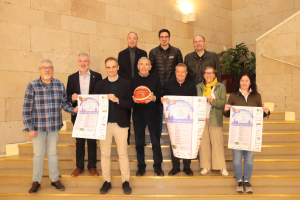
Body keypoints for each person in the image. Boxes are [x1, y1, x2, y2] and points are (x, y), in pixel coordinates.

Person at [23, 59, 78, 194]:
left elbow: (64, 103)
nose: (47, 70)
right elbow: (27, 108)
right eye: (44, 68)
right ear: (39, 70)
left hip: (54, 126)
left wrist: (73, 110)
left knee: (53, 154)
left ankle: (55, 180)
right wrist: (29, 127)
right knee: (38, 155)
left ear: (53, 70)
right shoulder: (32, 85)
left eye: (49, 67)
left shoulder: (59, 85)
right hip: (38, 127)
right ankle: (36, 181)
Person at [223, 71, 270, 194]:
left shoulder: (257, 96)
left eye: (246, 80)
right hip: (237, 132)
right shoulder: (233, 96)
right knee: (237, 157)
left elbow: (259, 115)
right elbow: (228, 115)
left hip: (251, 133)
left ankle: (247, 181)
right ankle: (239, 180)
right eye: (242, 80)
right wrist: (225, 110)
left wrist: (266, 112)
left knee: (249, 158)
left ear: (250, 82)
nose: (244, 83)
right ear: (239, 82)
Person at [93, 57, 133, 194]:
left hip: (121, 124)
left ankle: (125, 181)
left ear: (118, 67)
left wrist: (117, 100)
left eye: (113, 67)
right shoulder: (99, 85)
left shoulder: (126, 83)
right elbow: (94, 104)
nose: (111, 69)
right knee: (105, 154)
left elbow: (130, 104)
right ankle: (106, 181)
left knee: (123, 153)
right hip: (104, 125)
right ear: (106, 69)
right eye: (108, 67)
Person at [66, 53, 102, 177]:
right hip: (78, 114)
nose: (83, 63)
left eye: (85, 61)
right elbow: (67, 96)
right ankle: (79, 167)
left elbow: (101, 94)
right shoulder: (72, 78)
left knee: (92, 141)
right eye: (80, 61)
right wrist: (72, 97)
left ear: (89, 62)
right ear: (77, 62)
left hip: (93, 114)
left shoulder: (97, 76)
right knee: (79, 141)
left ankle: (92, 167)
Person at [161, 63, 197, 176]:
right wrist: (163, 100)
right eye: (178, 72)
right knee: (174, 142)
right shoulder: (168, 85)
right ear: (175, 73)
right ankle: (175, 166)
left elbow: (194, 103)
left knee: (187, 142)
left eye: (183, 72)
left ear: (186, 73)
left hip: (187, 121)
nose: (180, 74)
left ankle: (187, 166)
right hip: (174, 122)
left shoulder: (191, 86)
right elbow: (165, 101)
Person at [131, 57, 164, 176]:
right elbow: (129, 96)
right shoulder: (133, 80)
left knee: (155, 141)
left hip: (153, 113)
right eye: (141, 64)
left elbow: (160, 95)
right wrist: (133, 99)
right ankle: (141, 166)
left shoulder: (155, 78)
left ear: (150, 67)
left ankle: (158, 166)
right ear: (138, 66)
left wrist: (154, 98)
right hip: (138, 114)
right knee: (139, 142)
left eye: (146, 64)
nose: (144, 66)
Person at [149, 29, 183, 138]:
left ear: (169, 38)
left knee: (174, 114)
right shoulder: (153, 52)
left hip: (172, 88)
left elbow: (180, 69)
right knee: (157, 116)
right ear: (159, 38)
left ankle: (177, 138)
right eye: (162, 37)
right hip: (158, 89)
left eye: (166, 36)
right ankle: (157, 139)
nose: (164, 39)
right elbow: (151, 71)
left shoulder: (176, 51)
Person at [196, 66, 228, 177]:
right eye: (206, 73)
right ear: (203, 74)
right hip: (201, 119)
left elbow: (223, 103)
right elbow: (195, 102)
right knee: (203, 143)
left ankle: (221, 166)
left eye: (211, 73)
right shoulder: (199, 87)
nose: (208, 75)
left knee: (217, 143)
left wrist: (212, 100)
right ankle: (206, 166)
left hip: (215, 118)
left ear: (214, 74)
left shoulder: (220, 87)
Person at [118, 32, 147, 145]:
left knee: (140, 115)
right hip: (126, 87)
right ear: (127, 40)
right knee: (126, 114)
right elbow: (120, 72)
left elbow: (145, 69)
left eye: (134, 38)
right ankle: (126, 139)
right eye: (130, 38)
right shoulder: (121, 54)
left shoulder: (143, 53)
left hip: (140, 87)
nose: (132, 40)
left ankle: (141, 140)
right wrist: (129, 82)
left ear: (137, 40)